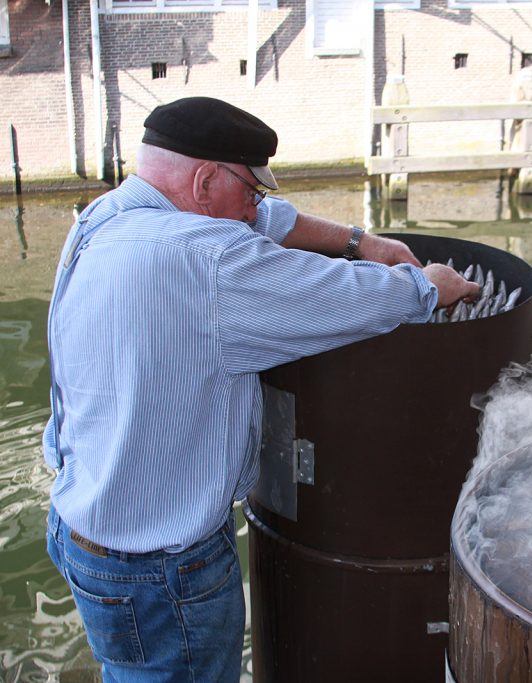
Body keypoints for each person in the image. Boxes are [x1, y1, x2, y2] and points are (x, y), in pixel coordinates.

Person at [42, 96, 479, 682]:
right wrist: (426, 287)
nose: (256, 211)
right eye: (252, 191)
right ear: (202, 182)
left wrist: (358, 241)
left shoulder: (104, 218)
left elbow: (265, 224)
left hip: (84, 534)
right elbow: (346, 298)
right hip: (163, 572)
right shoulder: (210, 260)